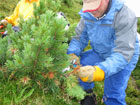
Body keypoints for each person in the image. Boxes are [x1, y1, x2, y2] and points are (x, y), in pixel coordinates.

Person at [68, 0, 140, 105]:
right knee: (80, 66)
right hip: (100, 52)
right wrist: (72, 54)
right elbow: (79, 38)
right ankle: (87, 96)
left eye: (95, 7)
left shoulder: (125, 14)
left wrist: (100, 71)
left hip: (123, 57)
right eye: (89, 7)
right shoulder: (88, 13)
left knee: (113, 93)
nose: (92, 12)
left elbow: (123, 52)